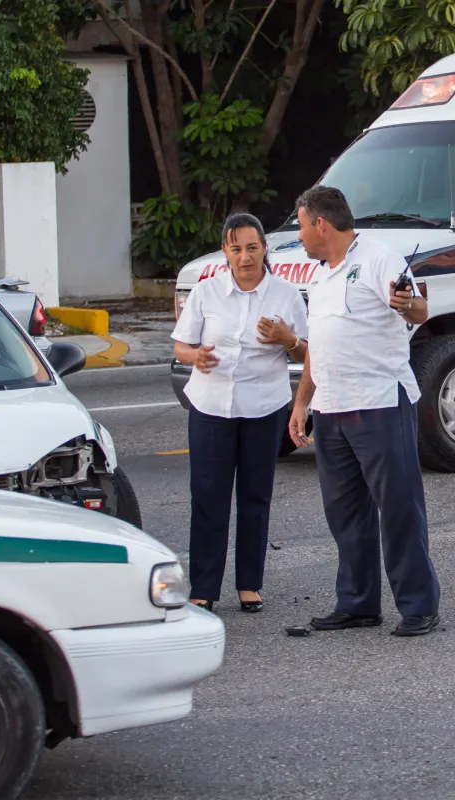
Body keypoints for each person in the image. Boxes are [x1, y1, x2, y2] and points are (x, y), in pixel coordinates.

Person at [288, 185, 441, 637]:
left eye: (300, 226)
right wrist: (302, 404)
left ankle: (418, 606)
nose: (299, 236)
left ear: (320, 223)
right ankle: (357, 603)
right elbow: (318, 345)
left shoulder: (379, 258)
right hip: (332, 407)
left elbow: (417, 309)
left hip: (378, 403)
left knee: (398, 508)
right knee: (346, 513)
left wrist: (406, 303)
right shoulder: (320, 276)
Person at [172, 213, 308, 613]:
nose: (245, 257)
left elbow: (307, 351)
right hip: (211, 407)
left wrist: (287, 339)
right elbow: (180, 345)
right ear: (225, 252)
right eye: (237, 249)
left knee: (255, 496)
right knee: (209, 497)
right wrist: (194, 355)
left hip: (263, 408)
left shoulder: (284, 294)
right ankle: (204, 586)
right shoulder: (207, 292)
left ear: (265, 248)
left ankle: (250, 584)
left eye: (252, 247)